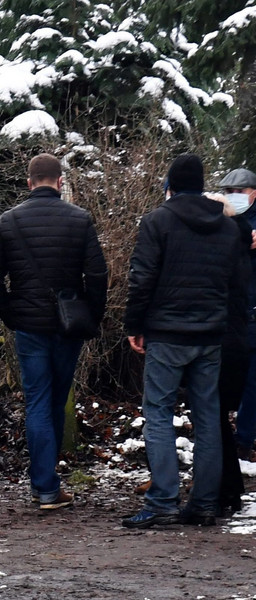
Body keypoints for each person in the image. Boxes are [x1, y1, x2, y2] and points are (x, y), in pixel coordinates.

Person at [122, 154, 247, 528]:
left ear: (170, 186)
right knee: (208, 417)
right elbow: (237, 286)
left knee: (158, 413)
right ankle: (205, 502)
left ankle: (162, 500)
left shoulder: (157, 221)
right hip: (211, 335)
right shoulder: (229, 228)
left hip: (167, 333)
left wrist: (134, 325)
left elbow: (141, 278)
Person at [0, 153, 108, 510]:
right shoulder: (80, 220)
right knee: (55, 400)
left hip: (30, 327)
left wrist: (11, 315)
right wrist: (90, 318)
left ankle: (45, 487)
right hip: (69, 328)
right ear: (60, 181)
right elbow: (97, 275)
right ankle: (49, 485)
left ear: (29, 182)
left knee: (37, 400)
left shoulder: (9, 222)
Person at [205, 191, 252, 516]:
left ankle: (225, 491)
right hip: (238, 340)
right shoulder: (241, 249)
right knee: (219, 419)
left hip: (218, 341)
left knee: (214, 418)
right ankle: (229, 488)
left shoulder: (217, 251)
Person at [222, 168, 256, 465]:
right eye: (230, 191)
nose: (235, 196)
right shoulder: (223, 219)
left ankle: (244, 439)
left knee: (254, 382)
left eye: (240, 191)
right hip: (234, 314)